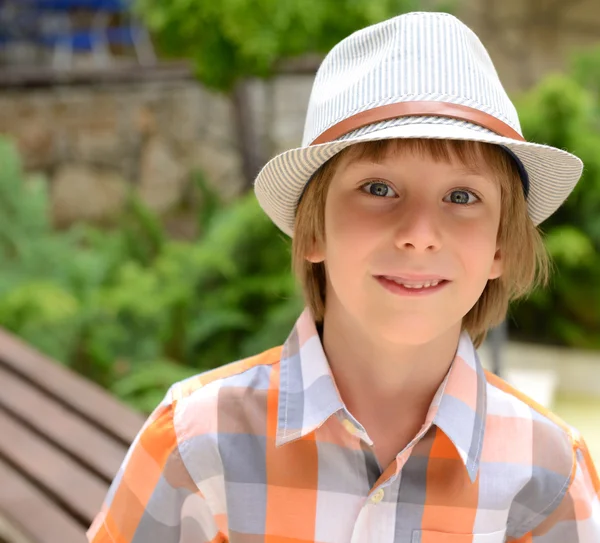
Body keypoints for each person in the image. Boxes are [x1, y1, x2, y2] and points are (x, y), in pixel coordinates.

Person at [87, 11, 600, 543]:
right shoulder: (197, 443)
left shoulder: (549, 476)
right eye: (378, 188)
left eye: (462, 197)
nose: (419, 233)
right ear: (314, 233)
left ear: (500, 246)